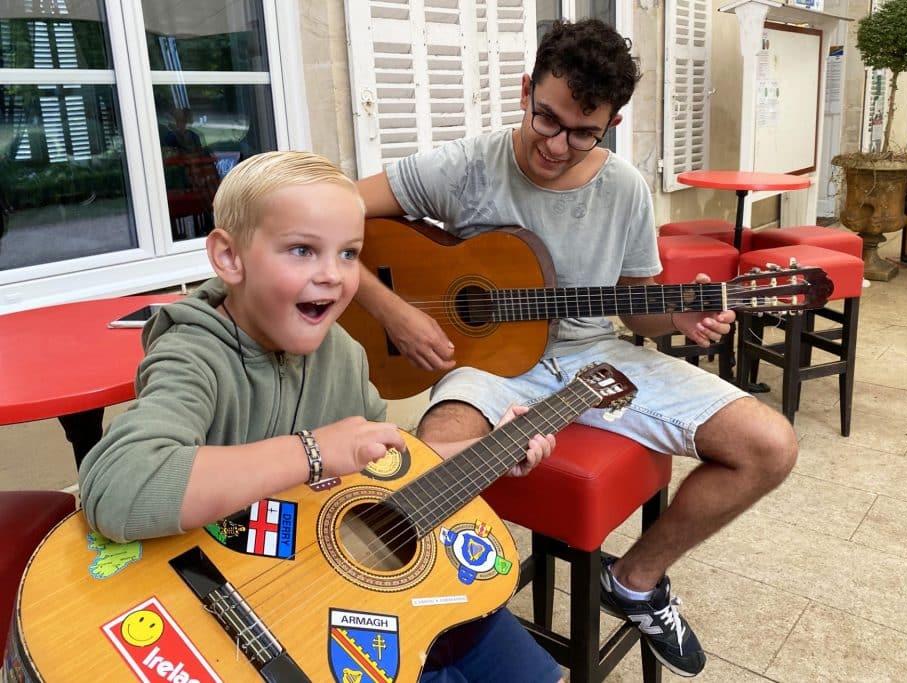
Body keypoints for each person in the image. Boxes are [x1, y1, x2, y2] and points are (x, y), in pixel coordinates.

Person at [354, 19, 799, 678]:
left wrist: (679, 312)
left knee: (772, 444)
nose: (558, 146)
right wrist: (391, 309)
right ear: (527, 88)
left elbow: (638, 313)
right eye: (547, 119)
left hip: (600, 357)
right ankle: (441, 628)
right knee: (434, 466)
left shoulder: (623, 190)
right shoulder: (468, 164)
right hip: (491, 368)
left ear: (612, 122)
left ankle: (637, 579)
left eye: (583, 131)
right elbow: (329, 212)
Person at [79, 150, 564, 683]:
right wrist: (313, 452)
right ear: (229, 257)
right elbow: (118, 489)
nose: (332, 276)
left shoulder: (344, 355)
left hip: (319, 588)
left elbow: (387, 466)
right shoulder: (193, 354)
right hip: (219, 610)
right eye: (303, 250)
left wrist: (491, 449)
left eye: (349, 253)